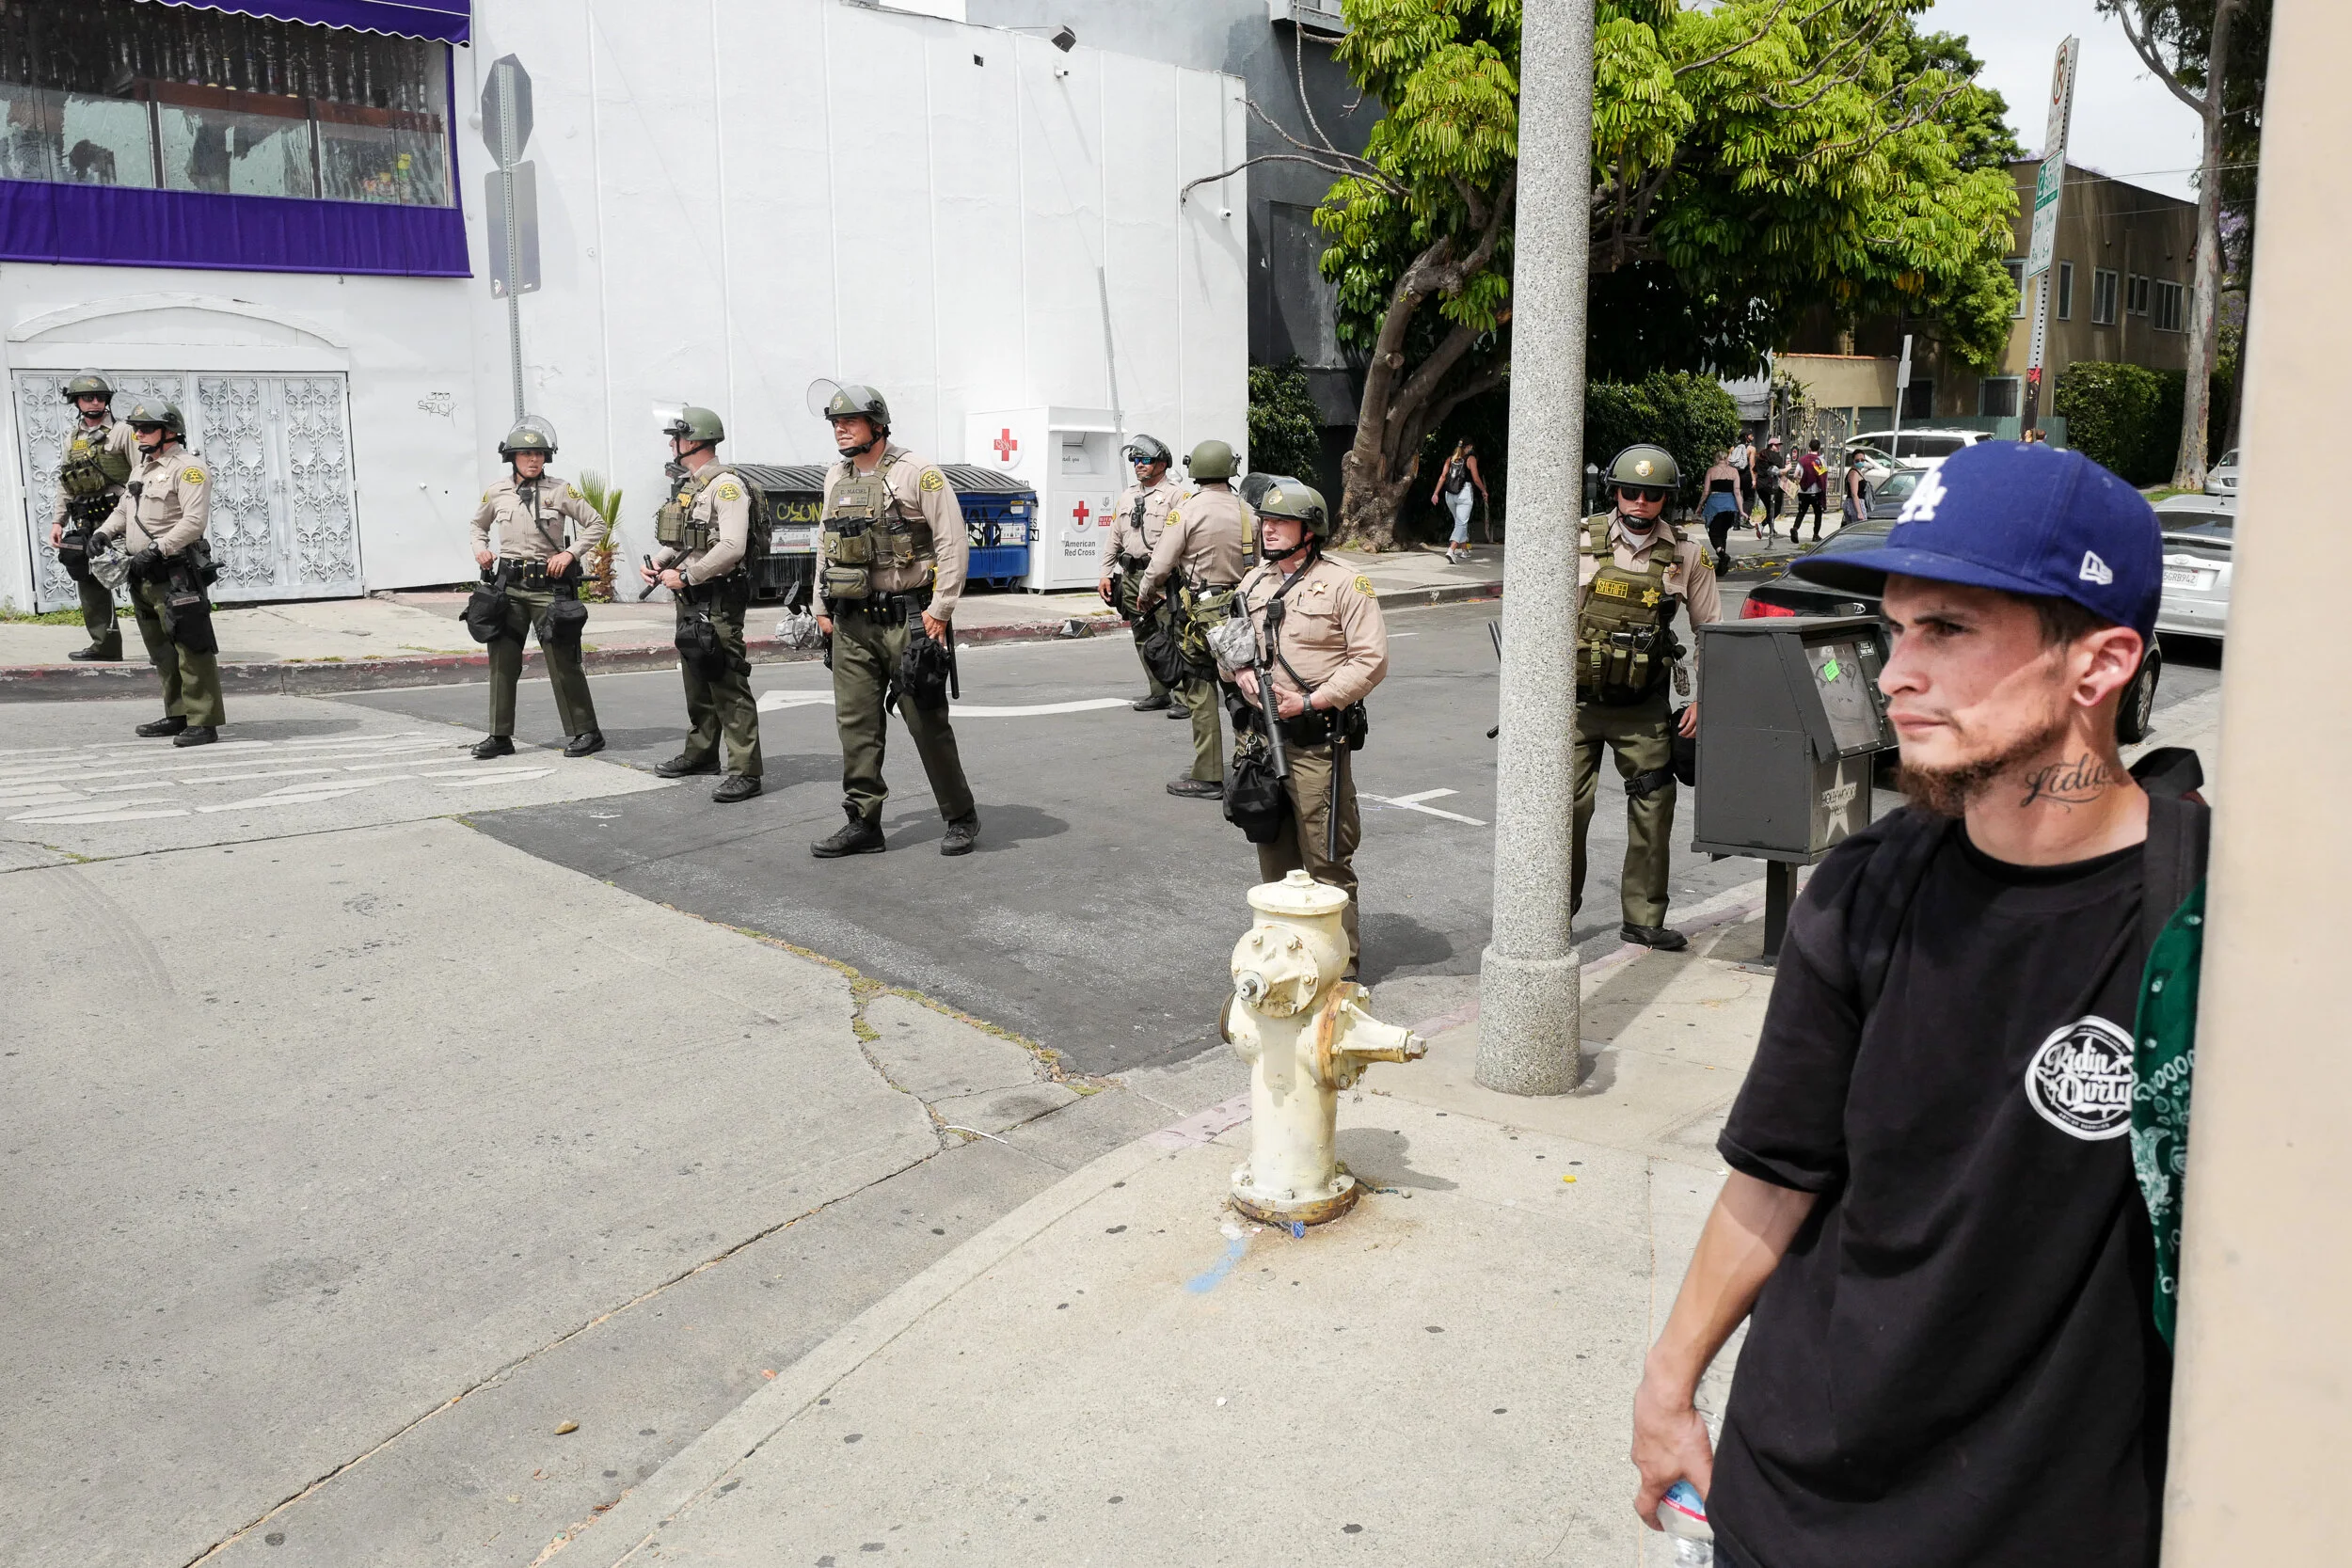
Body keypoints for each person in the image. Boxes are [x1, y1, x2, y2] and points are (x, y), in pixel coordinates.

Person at [1631, 442, 2191, 1568]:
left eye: (1947, 630)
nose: (1892, 674)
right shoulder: (1864, 885)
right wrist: (1668, 1379)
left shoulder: (2203, 922)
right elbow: (1777, 1170)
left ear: (2100, 662)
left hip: (2046, 1519)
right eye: (1895, 630)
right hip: (1796, 1499)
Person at [808, 385, 979, 857]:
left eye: (851, 421)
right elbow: (826, 543)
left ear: (878, 425)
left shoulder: (917, 473)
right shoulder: (835, 476)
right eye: (836, 423)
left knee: (926, 721)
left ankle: (960, 815)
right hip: (851, 621)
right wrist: (821, 606)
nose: (841, 429)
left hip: (909, 617)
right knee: (856, 726)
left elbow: (952, 542)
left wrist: (940, 609)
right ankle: (863, 822)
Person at [1225, 479, 1389, 971]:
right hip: (1260, 743)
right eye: (1266, 521)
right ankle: (1284, 965)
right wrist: (1239, 671)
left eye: (1281, 522)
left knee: (1326, 860)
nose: (1268, 529)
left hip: (1316, 743)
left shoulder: (1345, 583)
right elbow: (1229, 641)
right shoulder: (1253, 582)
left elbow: (1370, 661)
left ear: (1309, 530)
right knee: (1274, 861)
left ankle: (1341, 969)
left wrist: (1311, 701)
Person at [1571, 444, 1721, 950]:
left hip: (1643, 706)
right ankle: (1548, 914)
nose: (1639, 503)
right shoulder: (1576, 541)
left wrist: (1705, 700)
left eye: (1651, 495)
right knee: (1564, 811)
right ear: (1613, 492)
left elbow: (1711, 633)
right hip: (1576, 705)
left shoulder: (1687, 552)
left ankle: (1644, 918)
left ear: (1666, 500)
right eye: (1630, 492)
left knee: (1655, 806)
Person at [640, 405, 763, 804]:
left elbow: (732, 546)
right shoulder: (694, 486)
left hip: (718, 597)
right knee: (697, 680)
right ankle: (701, 754)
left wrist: (689, 576)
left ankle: (745, 771)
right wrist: (659, 563)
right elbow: (685, 539)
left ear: (691, 441)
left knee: (727, 681)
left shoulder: (726, 487)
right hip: (689, 597)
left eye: (675, 438)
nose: (671, 445)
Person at [469, 420, 609, 760]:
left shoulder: (561, 490)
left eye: (539, 454)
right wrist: (480, 549)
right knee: (502, 662)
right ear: (512, 457)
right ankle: (500, 736)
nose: (533, 460)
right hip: (509, 586)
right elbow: (477, 525)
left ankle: (587, 732)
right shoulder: (497, 491)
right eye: (526, 453)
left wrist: (569, 553)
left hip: (549, 587)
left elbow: (597, 523)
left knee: (563, 661)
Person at [95, 399, 225, 746]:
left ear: (169, 431)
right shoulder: (141, 468)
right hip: (142, 573)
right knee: (161, 649)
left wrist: (157, 549)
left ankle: (203, 721)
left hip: (175, 571)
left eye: (146, 428)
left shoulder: (188, 469)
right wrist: (103, 533)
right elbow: (125, 510)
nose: (138, 433)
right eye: (136, 428)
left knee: (191, 645)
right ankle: (178, 714)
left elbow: (194, 522)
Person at [1138, 439, 1256, 800]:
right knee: (1242, 689)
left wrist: (1145, 591)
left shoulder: (1187, 511)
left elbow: (1160, 563)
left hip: (1199, 616)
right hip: (1240, 612)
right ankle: (1249, 765)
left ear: (1196, 470)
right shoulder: (1247, 511)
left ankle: (1208, 774)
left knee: (1200, 689)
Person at [1099, 434, 1186, 717]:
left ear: (1162, 464)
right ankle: (1159, 692)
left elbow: (1185, 538)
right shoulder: (1127, 496)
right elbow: (1114, 537)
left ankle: (1184, 698)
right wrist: (1104, 572)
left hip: (1163, 578)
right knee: (1143, 636)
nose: (1139, 464)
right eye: (1135, 459)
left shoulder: (1176, 495)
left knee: (1171, 634)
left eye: (1145, 459)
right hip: (1132, 574)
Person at [49, 372, 134, 662]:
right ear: (77, 402)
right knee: (89, 580)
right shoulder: (73, 438)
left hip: (122, 517)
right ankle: (105, 644)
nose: (94, 402)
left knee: (143, 578)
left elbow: (140, 475)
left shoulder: (123, 431)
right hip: (87, 519)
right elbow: (66, 481)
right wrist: (58, 521)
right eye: (87, 398)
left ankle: (163, 647)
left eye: (100, 397)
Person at [1428, 437, 1488, 564]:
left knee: (1459, 522)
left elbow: (1443, 476)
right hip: (1464, 493)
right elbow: (1476, 479)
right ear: (1469, 447)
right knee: (1461, 523)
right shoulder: (1471, 459)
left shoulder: (1450, 459)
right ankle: (1451, 550)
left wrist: (1435, 493)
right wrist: (1483, 490)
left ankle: (1465, 551)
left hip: (1449, 494)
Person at [1698, 450, 1742, 569]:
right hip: (1730, 506)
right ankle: (1722, 564)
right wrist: (1741, 510)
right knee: (1723, 533)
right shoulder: (1734, 472)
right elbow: (1737, 492)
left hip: (1715, 506)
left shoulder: (1711, 471)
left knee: (1713, 532)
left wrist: (1699, 506)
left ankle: (1722, 554)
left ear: (1716, 459)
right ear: (1727, 458)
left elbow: (1706, 491)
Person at [1790, 436, 1829, 542]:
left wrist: (1802, 480)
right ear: (1819, 448)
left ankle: (1795, 528)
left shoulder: (1802, 460)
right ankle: (1815, 535)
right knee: (1818, 513)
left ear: (1809, 447)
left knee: (1801, 512)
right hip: (1816, 492)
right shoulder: (1821, 461)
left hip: (1803, 491)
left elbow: (1795, 475)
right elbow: (1823, 478)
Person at [1755, 436, 1787, 537]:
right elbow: (1781, 472)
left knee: (1769, 508)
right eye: (1777, 445)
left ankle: (1772, 530)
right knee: (1775, 509)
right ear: (1771, 446)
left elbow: (1755, 470)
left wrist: (1754, 481)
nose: (1778, 448)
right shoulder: (1775, 456)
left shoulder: (1761, 455)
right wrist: (1788, 467)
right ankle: (1762, 525)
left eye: (1779, 445)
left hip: (1760, 486)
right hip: (1771, 486)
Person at [1842, 450, 1870, 530]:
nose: (1860, 462)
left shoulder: (1858, 471)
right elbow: (1854, 494)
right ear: (1853, 460)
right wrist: (1859, 512)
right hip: (1855, 504)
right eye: (1857, 460)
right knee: (1859, 529)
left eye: (1862, 460)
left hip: (1855, 503)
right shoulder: (1854, 473)